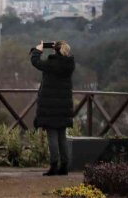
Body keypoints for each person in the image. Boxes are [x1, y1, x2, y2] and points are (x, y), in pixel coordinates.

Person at [30, 40, 75, 176]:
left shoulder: (51, 64)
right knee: (62, 136)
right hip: (64, 105)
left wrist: (37, 50)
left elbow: (36, 62)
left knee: (52, 136)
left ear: (55, 49)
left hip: (50, 106)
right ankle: (64, 166)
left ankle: (54, 165)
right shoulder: (69, 64)